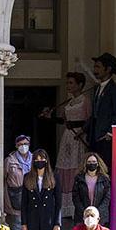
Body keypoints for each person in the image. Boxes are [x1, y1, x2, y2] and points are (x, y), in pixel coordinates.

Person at [47, 72, 92, 215]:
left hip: (78, 136)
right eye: (67, 83)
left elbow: (90, 119)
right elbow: (65, 121)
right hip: (68, 135)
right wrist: (51, 118)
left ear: (80, 85)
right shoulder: (69, 101)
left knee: (76, 166)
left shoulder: (85, 100)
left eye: (71, 83)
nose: (68, 85)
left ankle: (76, 205)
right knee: (64, 167)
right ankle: (65, 207)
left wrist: (83, 131)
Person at [85, 53, 116, 160]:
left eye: (98, 67)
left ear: (108, 69)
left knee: (105, 164)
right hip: (94, 135)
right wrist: (85, 129)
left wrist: (110, 133)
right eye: (94, 67)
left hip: (105, 136)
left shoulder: (114, 89)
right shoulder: (97, 88)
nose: (95, 70)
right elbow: (94, 113)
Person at [3, 135, 30, 230]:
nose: (23, 147)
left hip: (30, 191)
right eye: (20, 144)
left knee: (30, 218)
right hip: (15, 192)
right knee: (16, 220)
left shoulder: (34, 159)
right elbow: (3, 178)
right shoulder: (10, 160)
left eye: (25, 144)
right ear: (16, 146)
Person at [72, 152, 111, 224]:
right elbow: (75, 197)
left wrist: (96, 212)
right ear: (85, 164)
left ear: (98, 163)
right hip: (82, 217)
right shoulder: (79, 178)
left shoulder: (104, 179)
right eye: (89, 162)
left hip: (100, 217)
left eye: (94, 162)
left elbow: (107, 198)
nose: (91, 164)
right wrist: (85, 212)